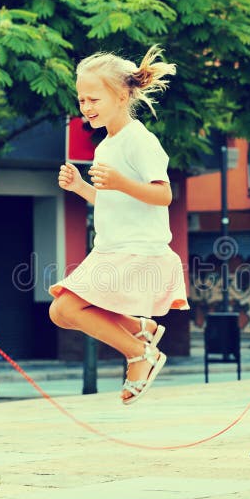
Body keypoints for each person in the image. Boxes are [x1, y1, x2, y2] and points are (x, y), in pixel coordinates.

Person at [49, 46, 188, 405]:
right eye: (81, 100)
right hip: (112, 247)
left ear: (122, 95)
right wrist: (82, 188)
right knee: (62, 313)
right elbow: (115, 201)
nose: (86, 107)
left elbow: (163, 196)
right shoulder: (106, 145)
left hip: (136, 249)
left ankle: (141, 353)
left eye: (94, 98)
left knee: (65, 308)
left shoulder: (139, 140)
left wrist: (120, 182)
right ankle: (142, 330)